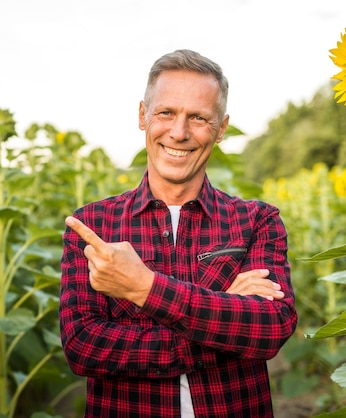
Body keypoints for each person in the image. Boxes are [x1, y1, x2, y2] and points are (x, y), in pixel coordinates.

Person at [59, 49, 297, 417]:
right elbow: (83, 346)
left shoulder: (257, 221)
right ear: (143, 116)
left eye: (199, 117)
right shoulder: (93, 226)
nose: (179, 132)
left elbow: (270, 326)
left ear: (221, 129)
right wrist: (224, 323)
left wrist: (143, 287)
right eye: (166, 112)